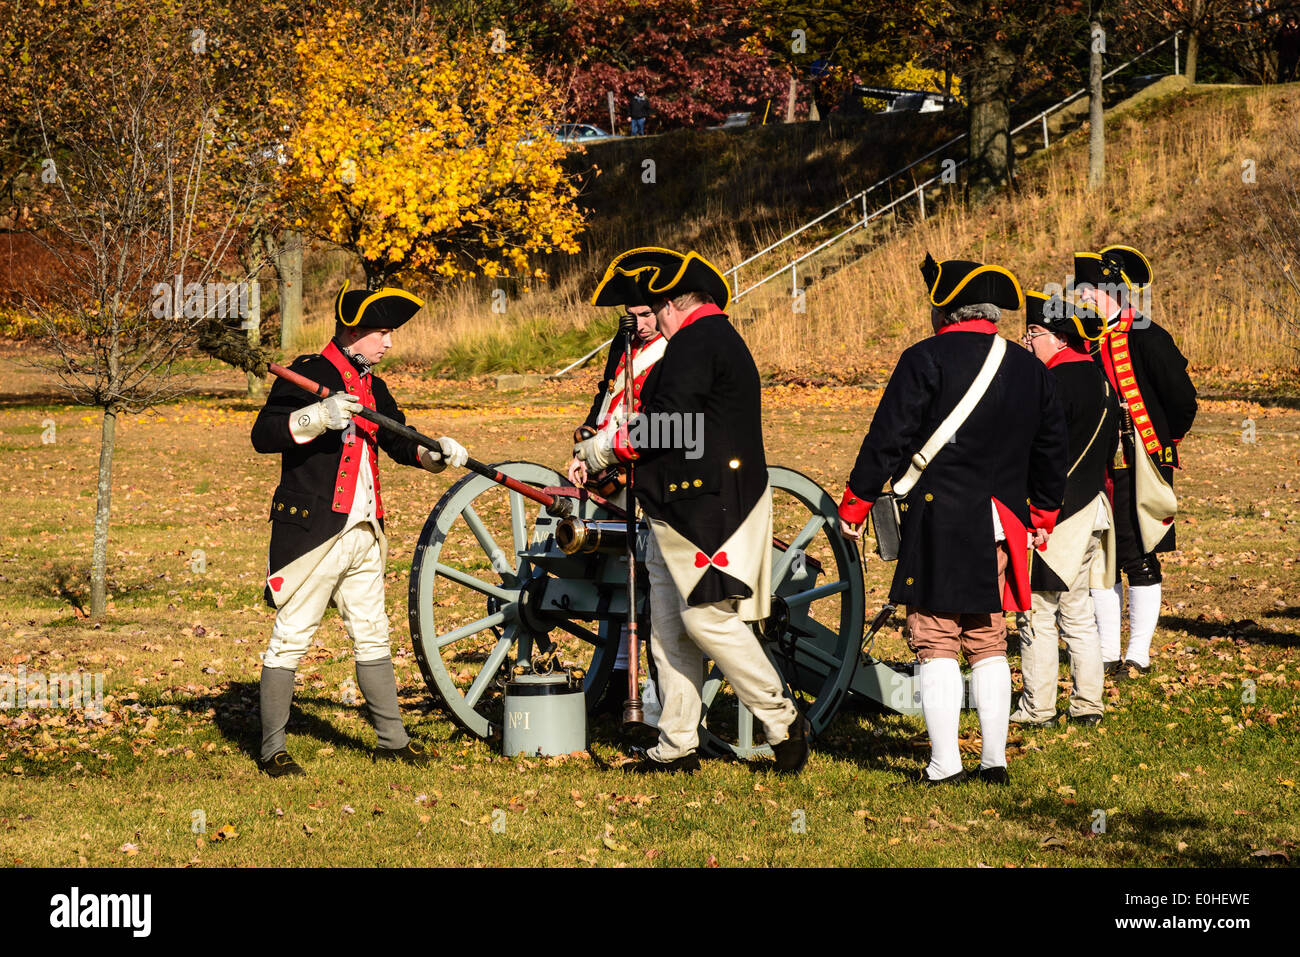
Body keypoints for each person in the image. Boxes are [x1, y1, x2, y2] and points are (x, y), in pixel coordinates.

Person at [574, 247, 809, 774]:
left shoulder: (698, 342)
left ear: (671, 305)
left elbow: (671, 425)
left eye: (653, 307)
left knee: (706, 620)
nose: (649, 319)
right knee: (668, 629)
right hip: (677, 505)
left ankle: (782, 716)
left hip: (708, 508)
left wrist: (606, 449)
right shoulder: (704, 340)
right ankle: (676, 744)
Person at [838, 254, 1067, 785]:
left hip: (939, 519)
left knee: (934, 635)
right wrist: (1043, 512)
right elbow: (1052, 448)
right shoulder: (1030, 368)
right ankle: (994, 762)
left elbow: (888, 438)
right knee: (988, 637)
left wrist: (856, 503)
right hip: (1000, 521)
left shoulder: (924, 358)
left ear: (944, 310)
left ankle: (944, 763)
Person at [249, 282, 469, 777]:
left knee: (373, 635)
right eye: (383, 333)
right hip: (315, 530)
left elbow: (398, 439)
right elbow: (263, 435)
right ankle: (272, 750)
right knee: (291, 637)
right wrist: (317, 416)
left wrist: (434, 455)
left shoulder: (372, 384)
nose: (389, 344)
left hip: (366, 528)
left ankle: (393, 741)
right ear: (354, 331)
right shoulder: (309, 373)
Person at [1073, 245, 1197, 679]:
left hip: (1140, 461)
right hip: (1096, 465)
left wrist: (1162, 443)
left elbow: (1182, 401)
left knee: (1138, 552)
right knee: (1100, 556)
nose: (1080, 298)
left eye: (1086, 290)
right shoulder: (1085, 339)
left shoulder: (1147, 335)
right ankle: (1107, 653)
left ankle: (1138, 655)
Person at [1012, 291, 1119, 727]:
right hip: (1093, 507)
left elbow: (1038, 455)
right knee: (1078, 614)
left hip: (1057, 516)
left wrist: (1038, 513)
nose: (1027, 342)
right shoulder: (1101, 380)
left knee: (1036, 612)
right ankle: (1088, 706)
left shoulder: (1050, 383)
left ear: (1057, 338)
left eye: (1033, 334)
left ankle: (1038, 709)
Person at [568, 274, 666, 717]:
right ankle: (617, 672)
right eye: (633, 316)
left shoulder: (676, 349)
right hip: (608, 458)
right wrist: (582, 447)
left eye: (647, 314)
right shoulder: (621, 345)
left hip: (645, 461)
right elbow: (605, 398)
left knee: (643, 577)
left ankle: (649, 684)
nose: (641, 324)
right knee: (613, 571)